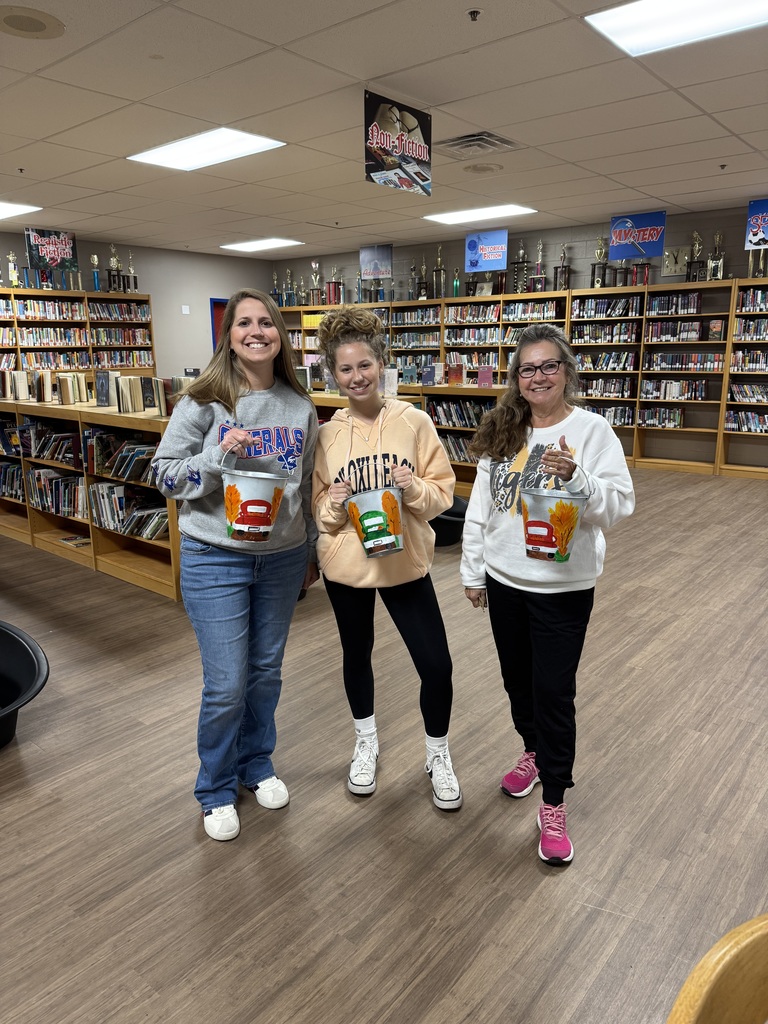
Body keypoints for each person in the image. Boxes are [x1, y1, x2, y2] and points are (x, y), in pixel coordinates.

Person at [460, 323, 634, 864]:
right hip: (505, 581)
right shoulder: (502, 432)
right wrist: (473, 571)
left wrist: (579, 479)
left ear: (566, 372)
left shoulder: (592, 431)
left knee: (554, 692)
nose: (538, 376)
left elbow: (619, 506)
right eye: (527, 369)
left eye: (548, 366)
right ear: (515, 378)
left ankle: (554, 800)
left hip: (563, 588)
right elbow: (480, 509)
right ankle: (532, 751)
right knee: (518, 683)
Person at [152, 288, 318, 841]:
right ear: (229, 335)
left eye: (265, 323)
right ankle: (216, 786)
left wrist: (311, 550)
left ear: (280, 335)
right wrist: (218, 455)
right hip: (213, 558)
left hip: (282, 560)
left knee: (265, 673)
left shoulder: (300, 406)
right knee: (226, 682)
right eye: (243, 322)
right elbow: (166, 477)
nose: (256, 331)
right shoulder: (203, 401)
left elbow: (306, 487)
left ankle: (257, 763)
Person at [312, 306, 462, 810]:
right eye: (346, 369)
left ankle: (437, 753)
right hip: (347, 568)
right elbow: (320, 514)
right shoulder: (327, 435)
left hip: (404, 565)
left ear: (382, 364)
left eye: (365, 365)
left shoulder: (414, 422)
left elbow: (444, 493)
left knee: (436, 666)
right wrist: (332, 502)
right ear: (333, 374)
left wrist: (413, 487)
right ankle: (365, 742)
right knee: (357, 655)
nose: (357, 377)